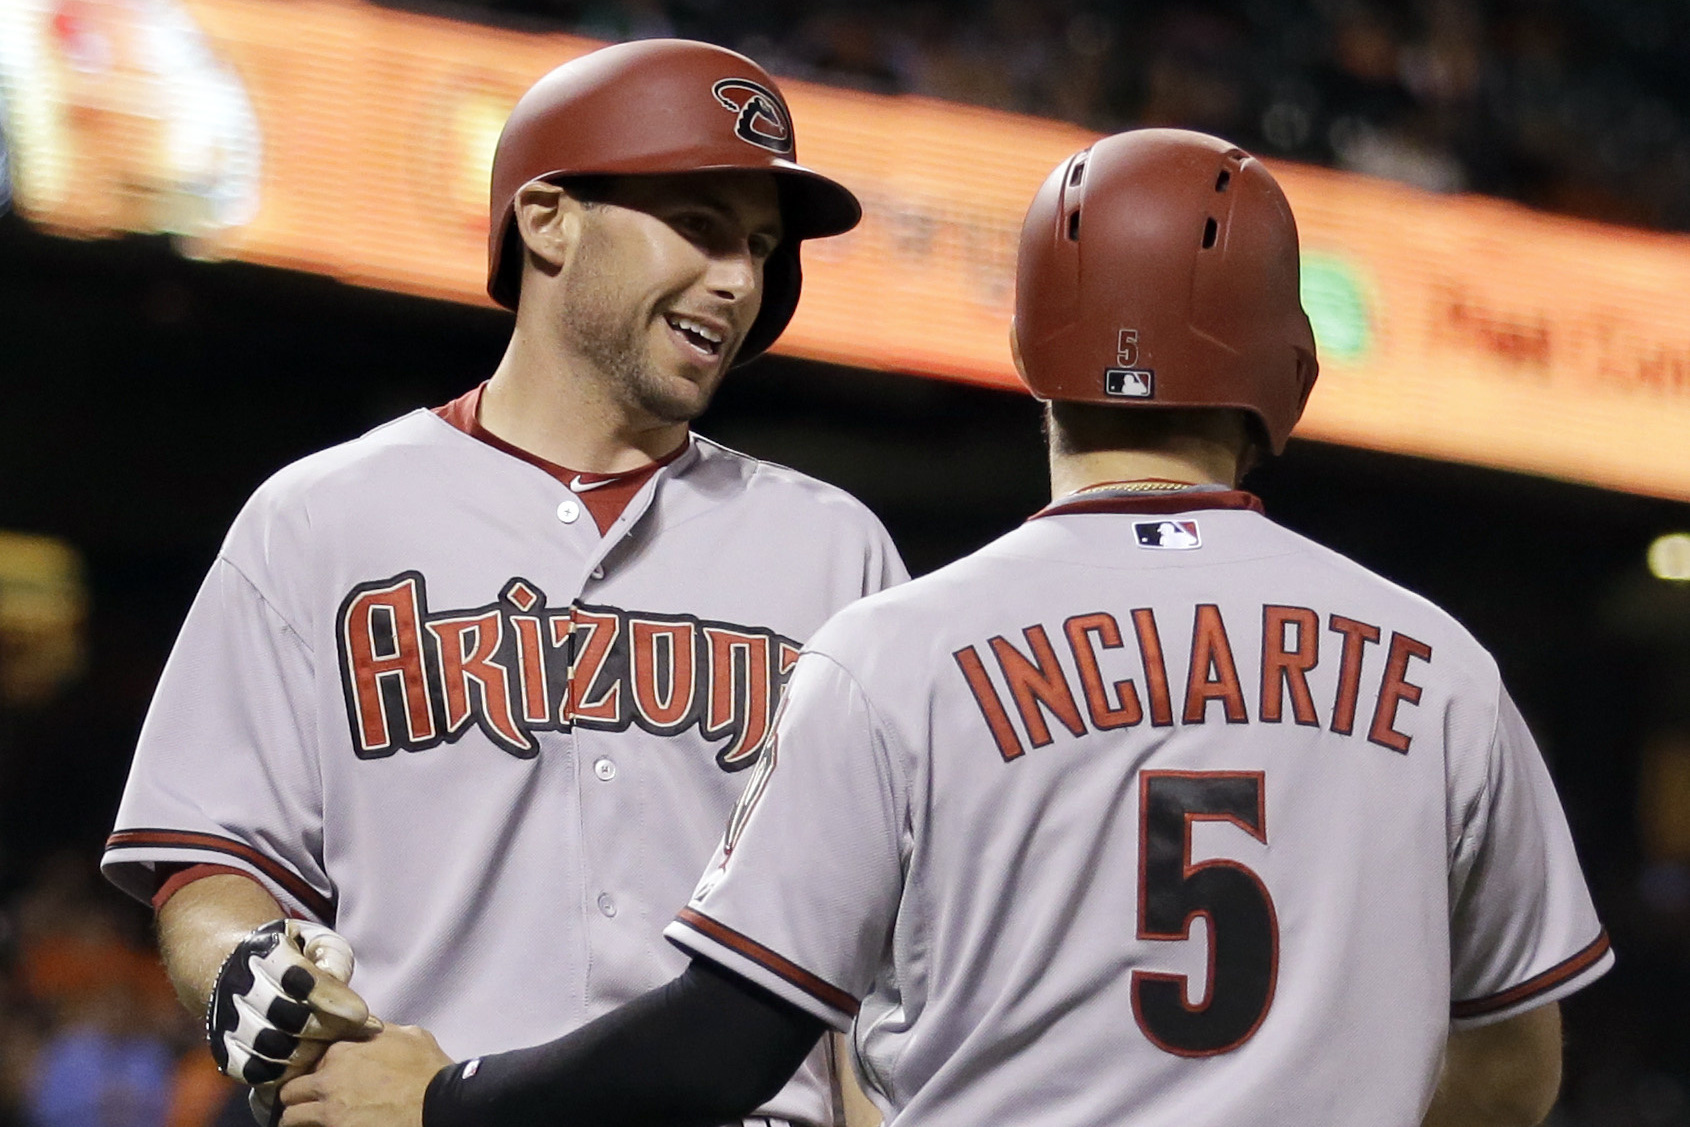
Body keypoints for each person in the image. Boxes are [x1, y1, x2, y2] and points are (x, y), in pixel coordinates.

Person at [278, 128, 1612, 1127]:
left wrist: (445, 1100)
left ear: (1029, 352)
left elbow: (723, 1044)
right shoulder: (1437, 669)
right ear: (1292, 376)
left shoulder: (894, 649)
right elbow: (1511, 1061)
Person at [99, 38, 906, 1127]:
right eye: (703, 228)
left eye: (760, 247)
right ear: (548, 218)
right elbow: (209, 863)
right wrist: (243, 963)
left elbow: (884, 969)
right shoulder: (321, 520)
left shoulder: (835, 550)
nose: (739, 279)